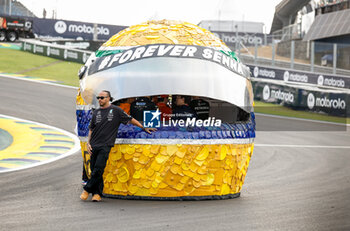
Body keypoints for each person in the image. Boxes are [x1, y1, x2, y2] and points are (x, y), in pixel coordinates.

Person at [80, 90, 156, 202]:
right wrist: (88, 143)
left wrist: (143, 127)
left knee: (98, 168)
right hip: (94, 144)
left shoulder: (116, 110)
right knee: (95, 170)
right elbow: (91, 129)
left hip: (106, 144)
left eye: (102, 97)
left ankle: (87, 189)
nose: (100, 100)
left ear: (108, 98)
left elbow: (130, 120)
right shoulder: (96, 112)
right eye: (98, 98)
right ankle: (97, 194)